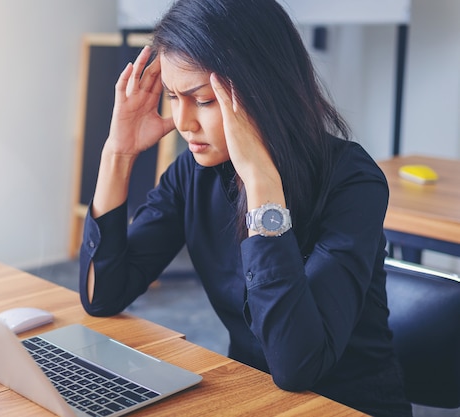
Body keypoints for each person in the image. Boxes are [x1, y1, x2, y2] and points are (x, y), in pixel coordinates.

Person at [78, 0, 412, 415]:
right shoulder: (192, 174)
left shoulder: (351, 180)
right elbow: (103, 295)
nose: (183, 122)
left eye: (202, 100)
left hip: (346, 405)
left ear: (261, 90)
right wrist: (118, 153)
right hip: (252, 397)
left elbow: (295, 366)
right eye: (171, 96)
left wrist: (261, 183)